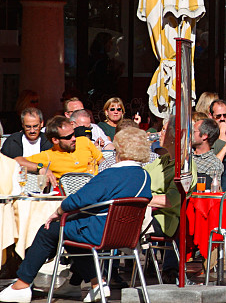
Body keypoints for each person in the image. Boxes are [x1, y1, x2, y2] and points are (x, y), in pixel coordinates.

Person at [0, 127, 152, 303]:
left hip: (99, 230)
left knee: (48, 230)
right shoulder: (144, 176)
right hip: (125, 234)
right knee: (72, 235)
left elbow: (78, 200)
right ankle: (97, 284)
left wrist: (57, 212)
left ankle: (22, 284)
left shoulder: (112, 174)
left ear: (120, 149)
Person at [144, 116, 182, 284]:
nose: (159, 133)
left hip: (164, 220)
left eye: (164, 130)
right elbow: (139, 175)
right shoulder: (161, 160)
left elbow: (169, 201)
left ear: (175, 136)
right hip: (145, 213)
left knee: (116, 222)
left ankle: (95, 276)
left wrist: (140, 199)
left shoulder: (184, 166)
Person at [17, 116, 104, 182]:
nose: (74, 138)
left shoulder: (84, 141)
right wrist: (40, 168)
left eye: (74, 134)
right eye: (68, 137)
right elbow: (17, 161)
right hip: (69, 197)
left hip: (97, 187)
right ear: (55, 140)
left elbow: (104, 163)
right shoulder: (48, 155)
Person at [192, 117, 223, 182]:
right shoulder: (186, 153)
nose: (189, 134)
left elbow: (211, 189)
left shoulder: (213, 164)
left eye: (193, 131)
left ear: (204, 136)